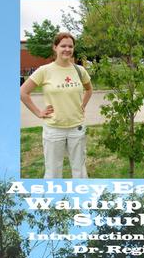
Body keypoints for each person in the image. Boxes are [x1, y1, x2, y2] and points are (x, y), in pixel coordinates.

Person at [20, 32, 93, 178]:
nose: (67, 49)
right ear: (55, 47)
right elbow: (23, 92)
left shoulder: (80, 70)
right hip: (54, 130)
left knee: (79, 170)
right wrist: (38, 112)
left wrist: (82, 105)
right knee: (53, 172)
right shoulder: (44, 71)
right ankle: (54, 199)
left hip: (76, 128)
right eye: (63, 46)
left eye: (70, 46)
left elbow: (89, 89)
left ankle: (80, 197)